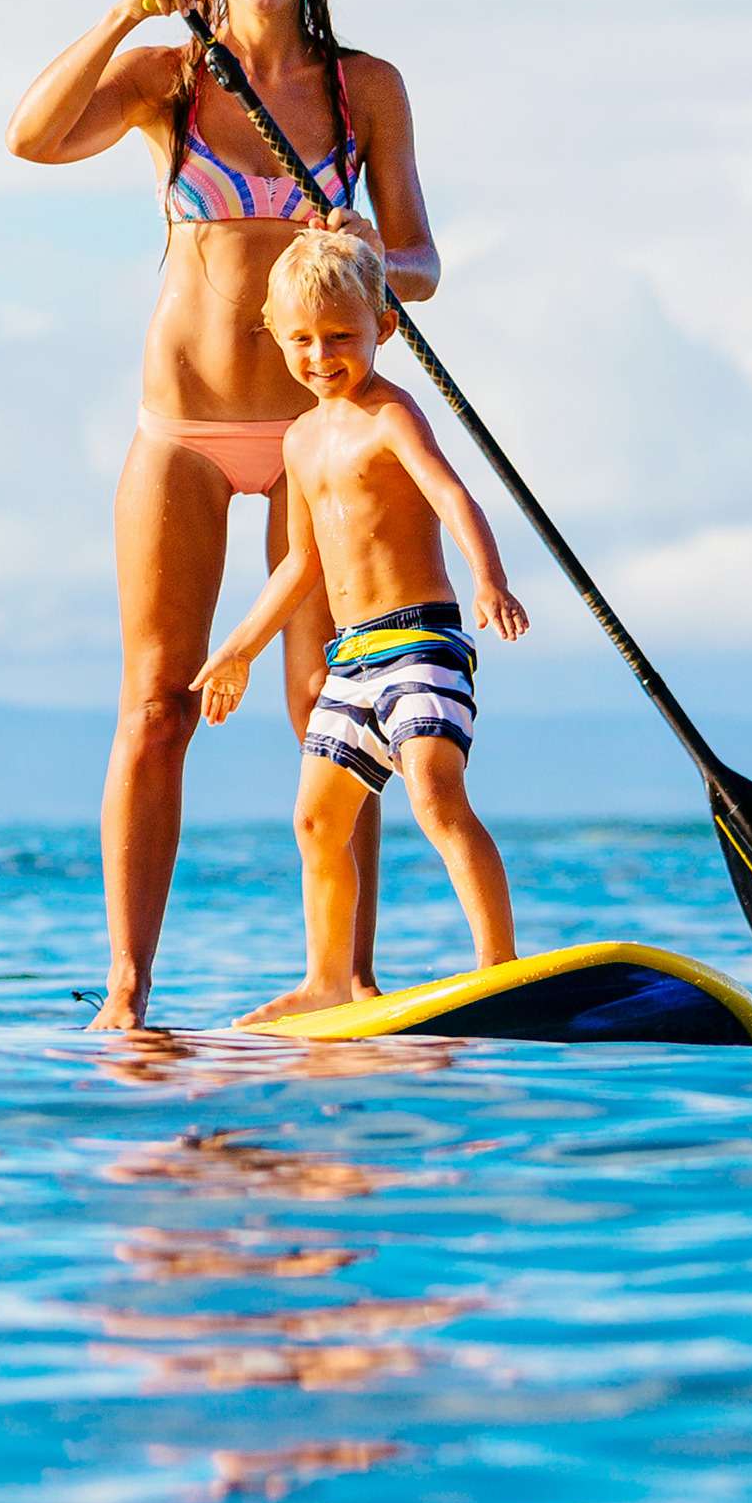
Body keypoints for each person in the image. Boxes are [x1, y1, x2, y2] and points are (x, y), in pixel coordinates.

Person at [6, 0, 440, 1028]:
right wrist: (120, 14)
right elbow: (31, 140)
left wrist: (368, 256)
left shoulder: (367, 91)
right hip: (186, 431)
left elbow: (423, 266)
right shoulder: (170, 77)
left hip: (323, 436)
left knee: (334, 704)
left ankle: (343, 977)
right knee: (157, 701)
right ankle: (128, 992)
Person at [194, 228, 527, 1022]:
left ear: (384, 323)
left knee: (436, 792)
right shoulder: (301, 438)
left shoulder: (391, 415)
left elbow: (453, 495)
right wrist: (238, 647)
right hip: (351, 660)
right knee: (316, 819)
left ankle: (499, 964)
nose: (321, 355)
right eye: (302, 339)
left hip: (420, 639)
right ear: (274, 334)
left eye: (342, 335)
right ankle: (327, 978)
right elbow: (300, 565)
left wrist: (488, 577)